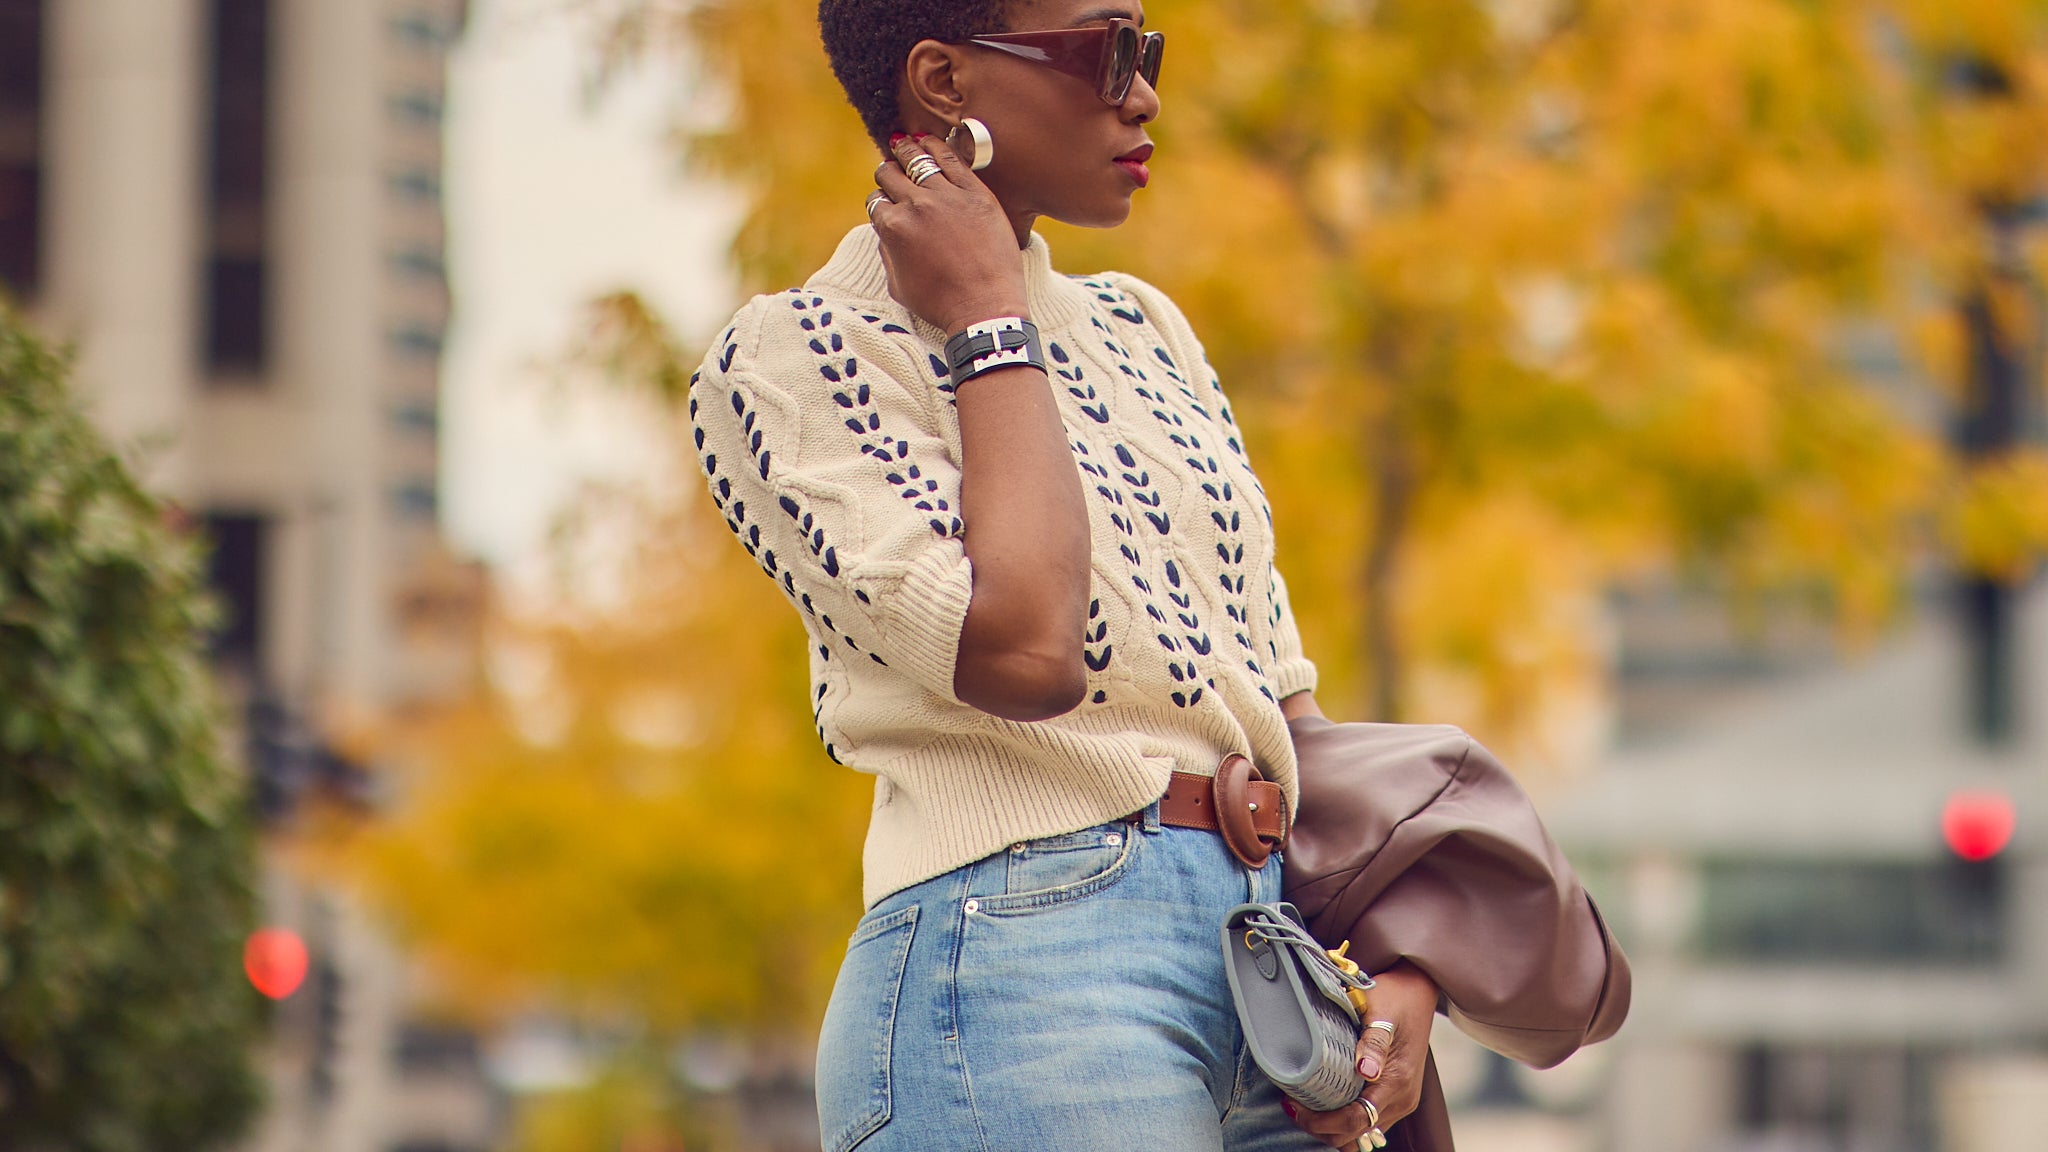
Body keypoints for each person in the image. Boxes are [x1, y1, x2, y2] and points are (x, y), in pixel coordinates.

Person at [687, 1, 1438, 1147]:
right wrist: (987, 322)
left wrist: (1397, 973)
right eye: (1105, 54)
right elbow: (1027, 650)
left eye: (1149, 54)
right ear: (942, 81)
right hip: (1023, 983)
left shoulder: (1144, 328)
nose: (1141, 95)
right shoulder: (789, 359)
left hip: (1277, 985)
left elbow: (1277, 703)